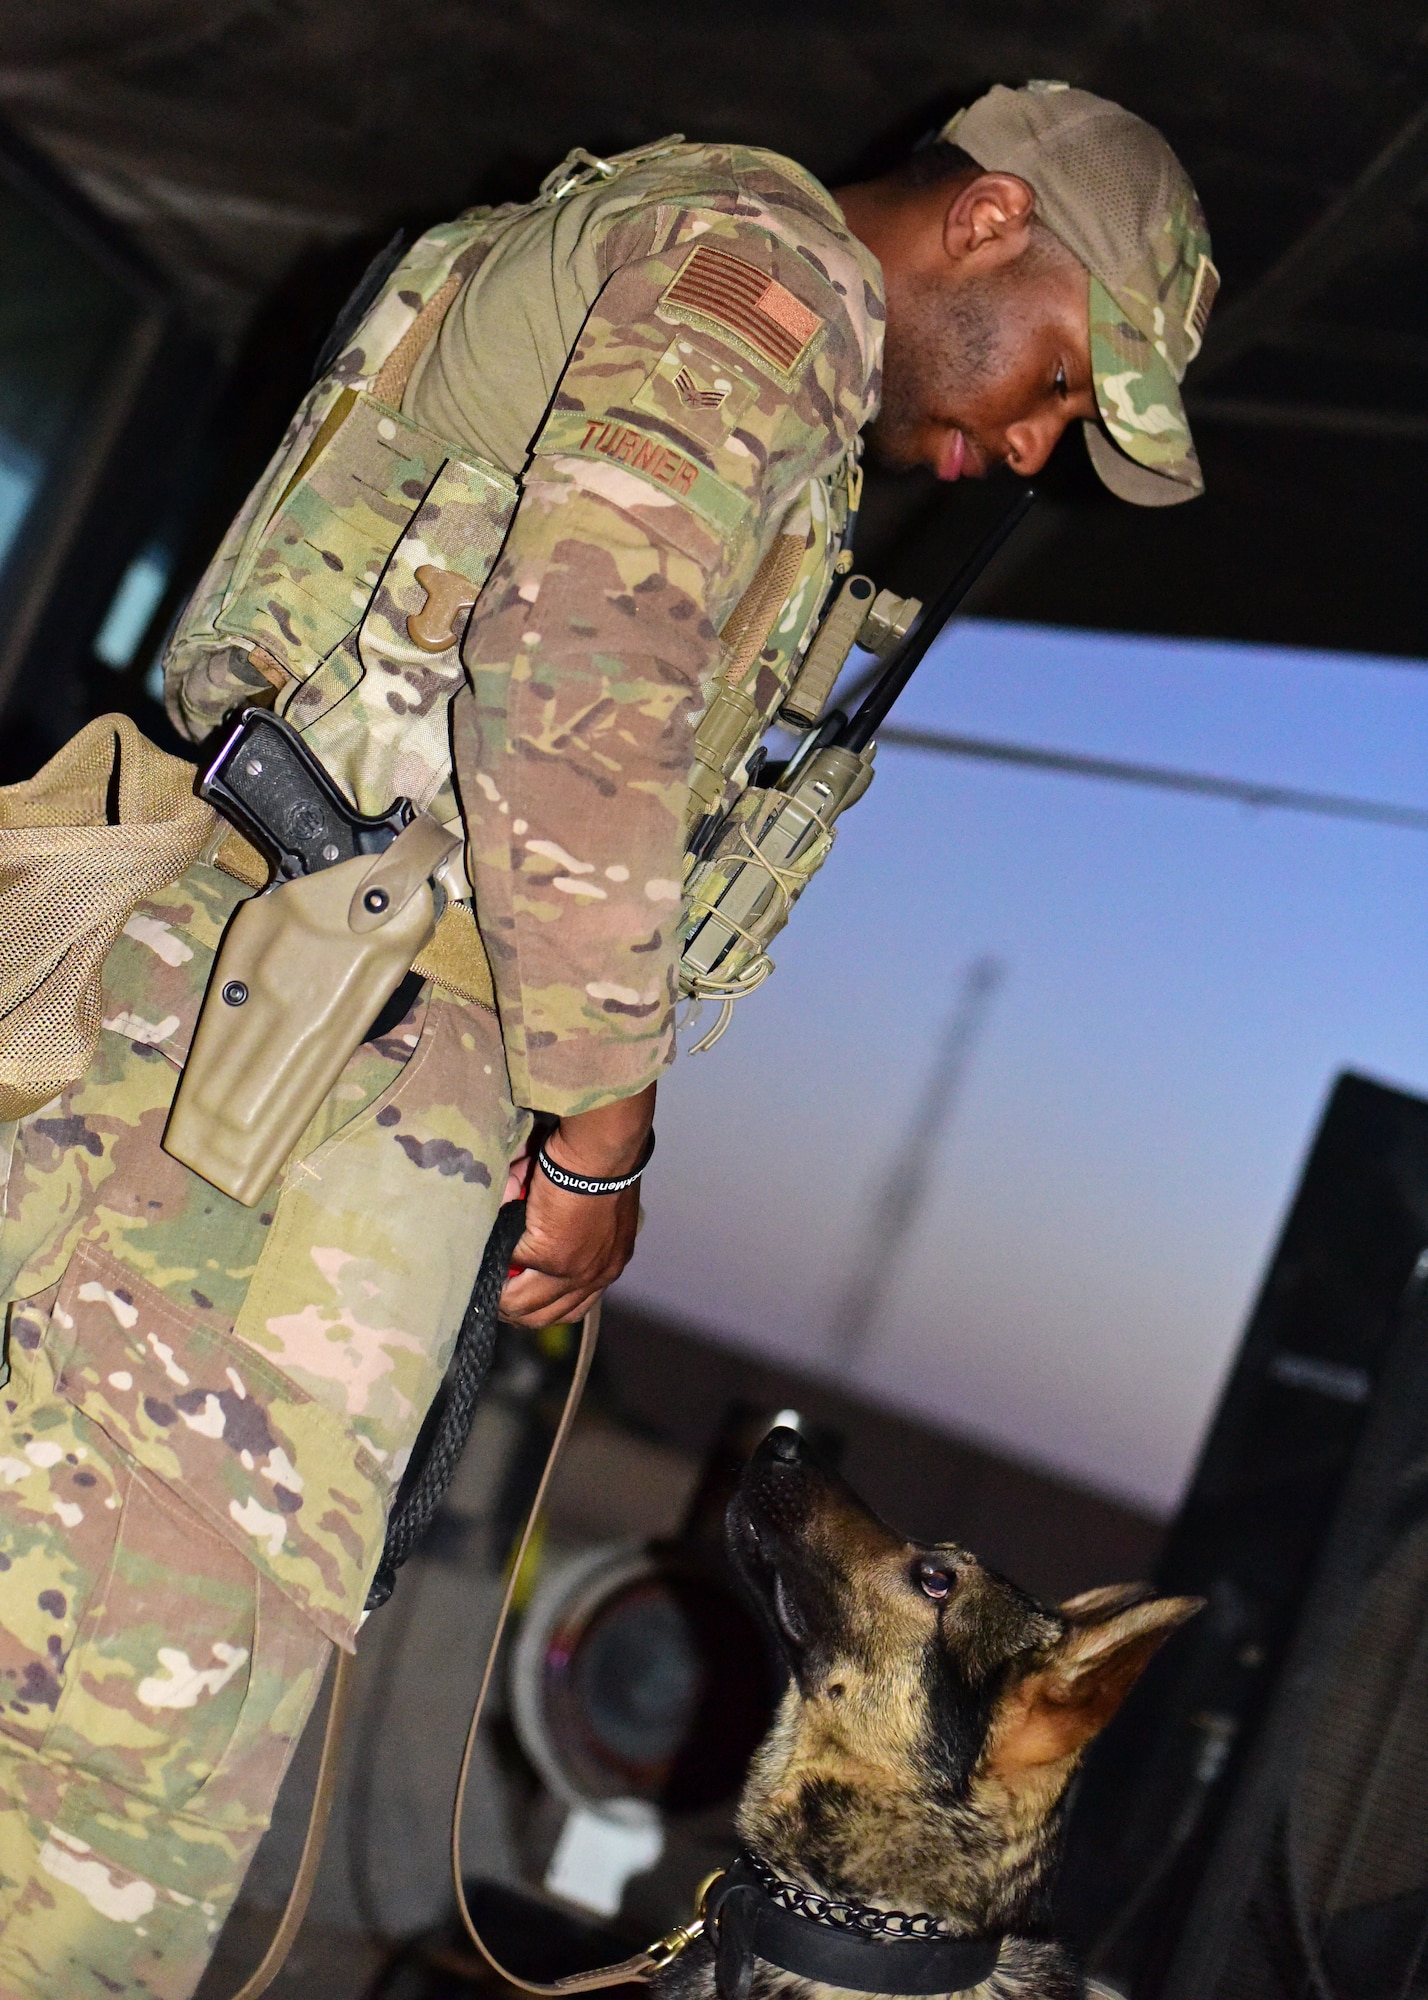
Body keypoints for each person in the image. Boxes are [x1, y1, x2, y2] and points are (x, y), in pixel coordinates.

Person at [0, 80, 1215, 1999]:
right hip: (284, 1085)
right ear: (993, 222)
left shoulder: (712, 293)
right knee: (100, 1798)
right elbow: (582, 668)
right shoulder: (768, 279)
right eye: (1065, 383)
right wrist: (601, 1125)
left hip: (286, 1051)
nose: (1022, 447)